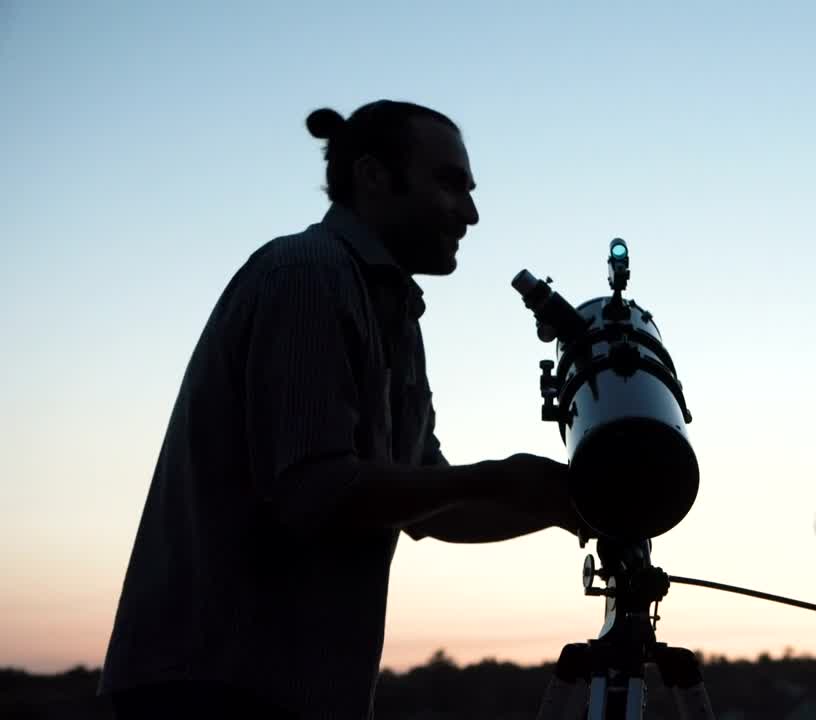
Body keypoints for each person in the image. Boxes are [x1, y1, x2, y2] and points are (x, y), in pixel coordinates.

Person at [99, 100, 581, 719]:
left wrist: (569, 505)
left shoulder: (395, 313)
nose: (471, 213)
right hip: (217, 687)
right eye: (449, 184)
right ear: (373, 176)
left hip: (287, 689)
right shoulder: (307, 276)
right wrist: (497, 477)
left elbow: (431, 507)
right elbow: (315, 488)